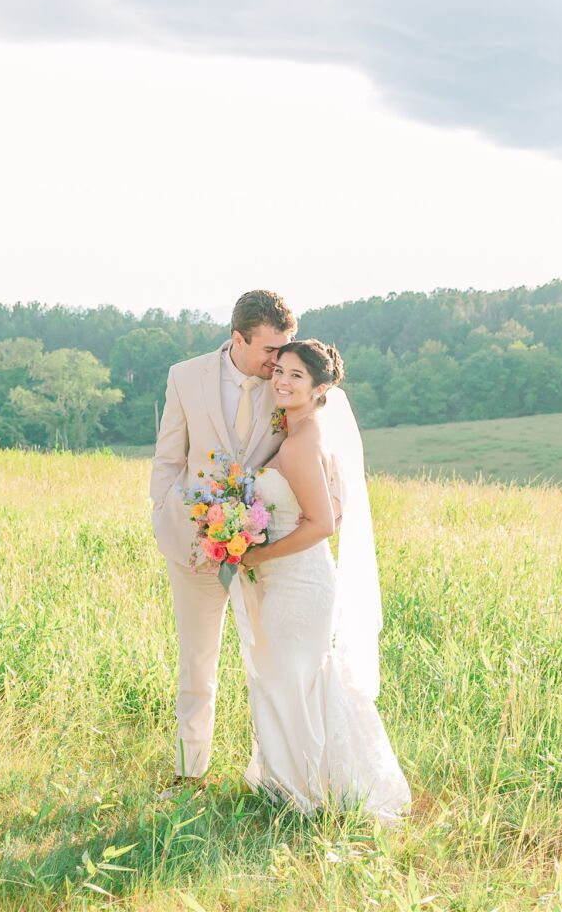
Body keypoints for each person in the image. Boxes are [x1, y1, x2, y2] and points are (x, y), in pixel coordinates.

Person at [229, 339, 411, 821]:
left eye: (296, 376)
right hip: (284, 580)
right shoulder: (296, 433)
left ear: (320, 388)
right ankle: (297, 785)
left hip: (299, 584)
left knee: (294, 681)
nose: (282, 382)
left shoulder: (304, 438)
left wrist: (258, 552)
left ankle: (310, 794)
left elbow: (322, 525)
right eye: (280, 371)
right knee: (291, 680)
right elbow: (332, 504)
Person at [149, 290, 296, 787]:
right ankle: (190, 775)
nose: (279, 362)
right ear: (238, 338)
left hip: (264, 548)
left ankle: (273, 776)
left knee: (269, 665)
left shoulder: (287, 383)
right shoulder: (184, 376)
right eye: (270, 351)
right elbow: (169, 455)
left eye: (285, 349)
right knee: (197, 665)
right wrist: (164, 512)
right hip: (192, 546)